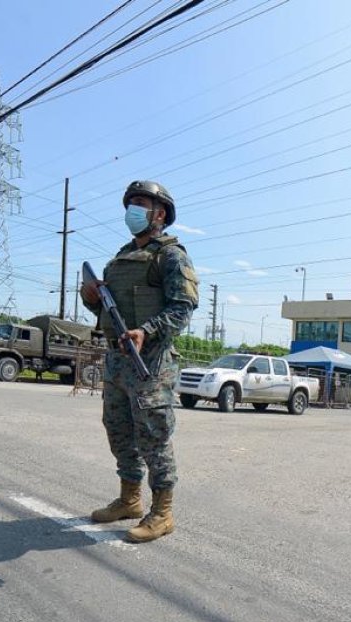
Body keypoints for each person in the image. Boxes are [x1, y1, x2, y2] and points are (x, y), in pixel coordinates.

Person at [81, 180, 199, 544]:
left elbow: (183, 307)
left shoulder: (171, 255)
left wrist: (147, 330)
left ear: (159, 213)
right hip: (118, 361)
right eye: (130, 203)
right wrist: (90, 298)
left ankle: (162, 513)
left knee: (153, 436)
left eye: (141, 203)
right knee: (118, 430)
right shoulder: (118, 259)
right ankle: (130, 500)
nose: (133, 209)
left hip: (152, 363)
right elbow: (104, 309)